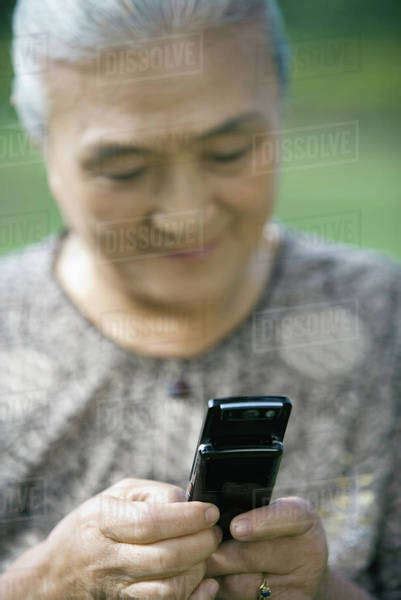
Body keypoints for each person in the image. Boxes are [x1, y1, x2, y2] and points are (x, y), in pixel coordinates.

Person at [0, 1, 400, 598]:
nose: (185, 214)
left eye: (229, 153)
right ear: (42, 145)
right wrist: (45, 583)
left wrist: (322, 589)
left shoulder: (386, 320)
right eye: (126, 168)